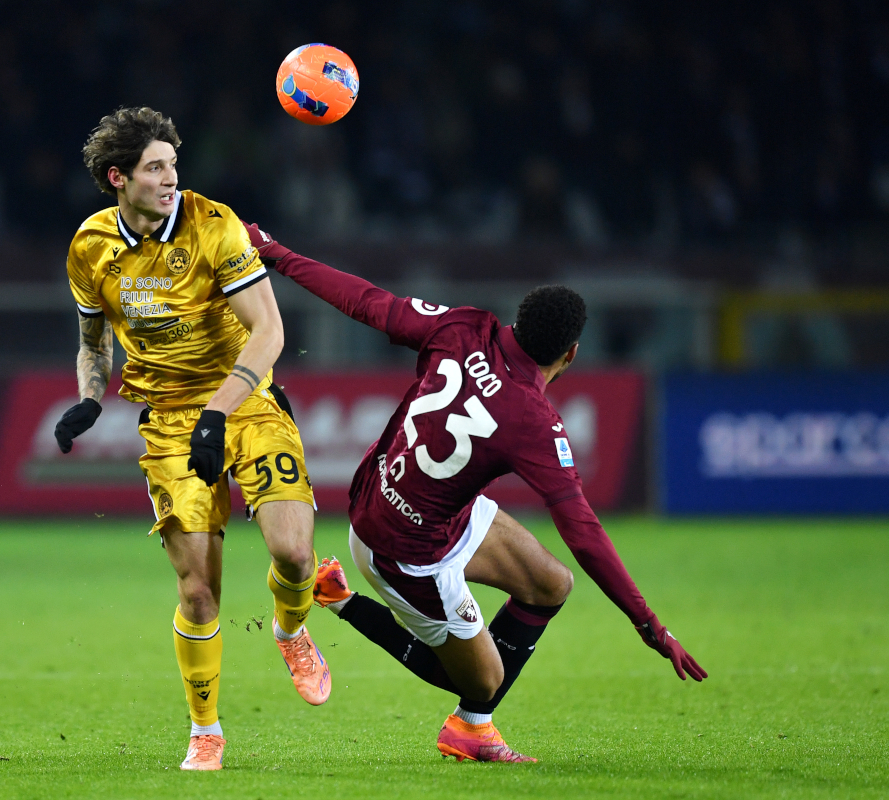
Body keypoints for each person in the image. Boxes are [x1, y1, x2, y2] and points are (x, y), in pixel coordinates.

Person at [243, 223, 706, 763]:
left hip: (410, 505)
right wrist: (648, 624)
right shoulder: (533, 420)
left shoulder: (463, 326)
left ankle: (472, 730)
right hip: (403, 553)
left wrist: (276, 252)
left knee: (551, 584)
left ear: (517, 319)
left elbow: (367, 302)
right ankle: (342, 600)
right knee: (484, 680)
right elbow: (582, 529)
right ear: (572, 354)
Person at [52, 107, 330, 772]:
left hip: (248, 402)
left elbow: (269, 333)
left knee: (294, 555)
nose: (170, 178)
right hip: (170, 421)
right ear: (119, 178)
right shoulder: (91, 248)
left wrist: (219, 413)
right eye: (155, 168)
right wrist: (89, 399)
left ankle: (291, 630)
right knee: (198, 592)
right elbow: (92, 342)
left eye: (173, 164)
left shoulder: (214, 226)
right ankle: (205, 730)